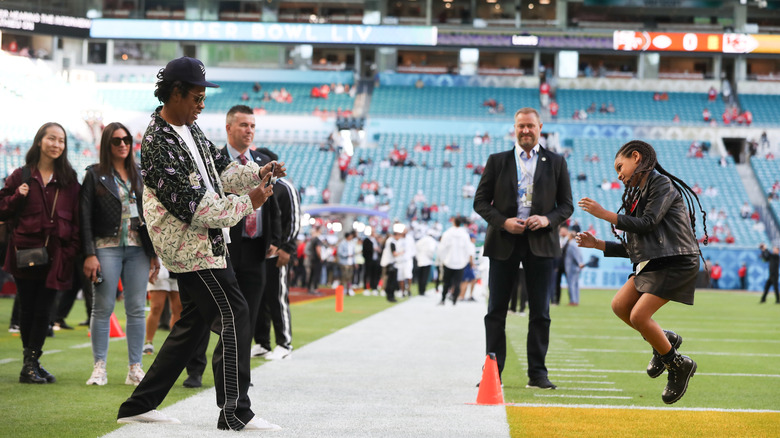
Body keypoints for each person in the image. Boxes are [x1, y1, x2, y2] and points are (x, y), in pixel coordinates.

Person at [115, 56, 283, 431]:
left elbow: (222, 170)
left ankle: (138, 404)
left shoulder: (191, 129)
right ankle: (235, 411)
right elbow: (198, 209)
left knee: (191, 327)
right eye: (196, 96)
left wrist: (259, 171)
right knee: (234, 314)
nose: (201, 103)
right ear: (174, 94)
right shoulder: (158, 143)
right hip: (192, 248)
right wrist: (250, 201)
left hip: (206, 245)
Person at [576, 139, 707, 404]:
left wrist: (604, 214)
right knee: (620, 306)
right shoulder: (638, 193)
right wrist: (598, 244)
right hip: (655, 261)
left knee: (638, 315)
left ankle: (678, 365)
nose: (619, 174)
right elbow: (638, 246)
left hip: (676, 261)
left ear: (636, 157)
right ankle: (664, 340)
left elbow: (647, 224)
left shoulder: (660, 184)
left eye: (620, 166)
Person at [473, 107, 573, 389]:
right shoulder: (497, 161)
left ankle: (538, 374)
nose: (525, 131)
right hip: (503, 241)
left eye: (530, 126)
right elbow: (480, 202)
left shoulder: (556, 162)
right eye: (521, 127)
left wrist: (547, 219)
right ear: (514, 129)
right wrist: (504, 222)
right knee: (495, 311)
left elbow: (566, 205)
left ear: (540, 127)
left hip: (541, 243)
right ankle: (493, 372)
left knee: (540, 312)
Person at [0, 122, 81, 384]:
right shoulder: (21, 175)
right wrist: (17, 197)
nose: (57, 144)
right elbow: (2, 209)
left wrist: (72, 250)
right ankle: (30, 362)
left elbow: (78, 219)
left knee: (45, 310)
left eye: (61, 140)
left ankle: (31, 362)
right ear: (39, 141)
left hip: (57, 255)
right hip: (24, 252)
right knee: (27, 309)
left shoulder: (69, 179)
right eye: (52, 139)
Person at [81, 122, 159, 387]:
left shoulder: (140, 174)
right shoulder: (94, 175)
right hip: (105, 248)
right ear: (107, 144)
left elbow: (150, 215)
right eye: (116, 141)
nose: (123, 144)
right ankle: (99, 367)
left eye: (126, 139)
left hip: (138, 249)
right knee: (102, 308)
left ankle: (135, 368)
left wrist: (153, 254)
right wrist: (89, 254)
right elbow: (85, 218)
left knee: (137, 309)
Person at [254, 147, 301, 360]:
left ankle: (284, 343)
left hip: (277, 253)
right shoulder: (257, 187)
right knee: (258, 299)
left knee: (277, 297)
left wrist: (287, 248)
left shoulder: (285, 188)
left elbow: (294, 221)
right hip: (257, 252)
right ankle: (262, 342)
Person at [144, 264, 181, 355]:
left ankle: (174, 343)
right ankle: (148, 342)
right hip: (160, 268)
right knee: (156, 307)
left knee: (178, 308)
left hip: (179, 268)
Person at [437, 216, 473, 306]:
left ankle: (443, 299)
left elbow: (441, 248)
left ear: (453, 222)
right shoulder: (465, 234)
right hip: (460, 263)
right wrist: (466, 260)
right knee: (457, 282)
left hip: (448, 261)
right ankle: (454, 300)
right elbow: (468, 249)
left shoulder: (447, 233)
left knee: (446, 282)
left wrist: (442, 260)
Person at [561, 228, 584, 305]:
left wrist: (579, 263)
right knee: (575, 284)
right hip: (575, 267)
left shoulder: (571, 244)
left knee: (571, 284)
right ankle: (576, 300)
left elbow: (575, 255)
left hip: (571, 267)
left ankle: (573, 301)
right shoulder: (576, 244)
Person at [415, 230, 438, 296]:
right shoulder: (432, 241)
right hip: (427, 261)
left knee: (420, 277)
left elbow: (416, 247)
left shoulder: (422, 239)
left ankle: (420, 290)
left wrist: (418, 256)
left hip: (420, 260)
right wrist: (431, 257)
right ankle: (423, 290)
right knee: (425, 277)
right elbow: (431, 250)